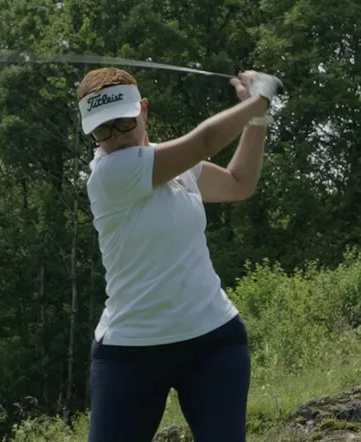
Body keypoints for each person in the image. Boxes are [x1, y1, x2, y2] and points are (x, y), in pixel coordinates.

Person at [78, 66, 281, 442]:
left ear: (143, 109)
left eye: (123, 122)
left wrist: (257, 118)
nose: (116, 137)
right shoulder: (110, 174)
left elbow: (239, 184)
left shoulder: (173, 165)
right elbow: (205, 140)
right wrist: (259, 100)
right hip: (131, 350)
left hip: (212, 339)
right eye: (102, 130)